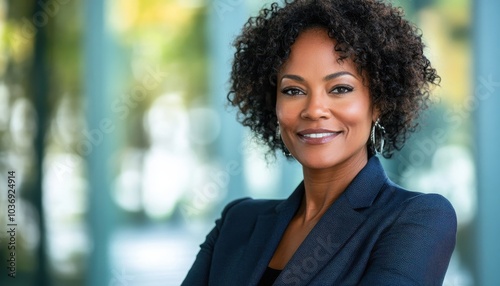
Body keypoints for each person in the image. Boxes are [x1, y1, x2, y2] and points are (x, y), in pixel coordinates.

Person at [182, 0, 457, 285]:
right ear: (273, 103)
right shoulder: (237, 222)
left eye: (340, 88)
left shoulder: (417, 218)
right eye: (293, 90)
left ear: (379, 103)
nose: (314, 109)